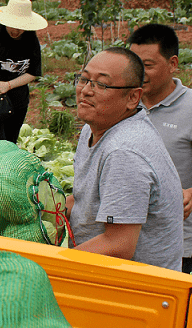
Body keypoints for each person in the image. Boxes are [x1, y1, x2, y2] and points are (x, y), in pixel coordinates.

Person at [64, 47, 184, 271]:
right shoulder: (93, 129)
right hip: (101, 271)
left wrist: (54, 262)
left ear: (132, 98)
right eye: (84, 79)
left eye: (101, 84)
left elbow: (119, 245)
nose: (85, 91)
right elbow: (82, 200)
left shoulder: (124, 152)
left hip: (139, 290)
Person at [129, 24, 192, 274]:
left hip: (172, 242)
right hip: (125, 235)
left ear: (172, 63)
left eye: (148, 65)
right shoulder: (126, 100)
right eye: (134, 63)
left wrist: (191, 195)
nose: (139, 73)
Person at [0, 0, 45, 144]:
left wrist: (9, 85)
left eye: (21, 26)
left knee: (10, 142)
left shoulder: (31, 39)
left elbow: (32, 72)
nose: (16, 30)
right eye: (12, 25)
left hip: (18, 100)